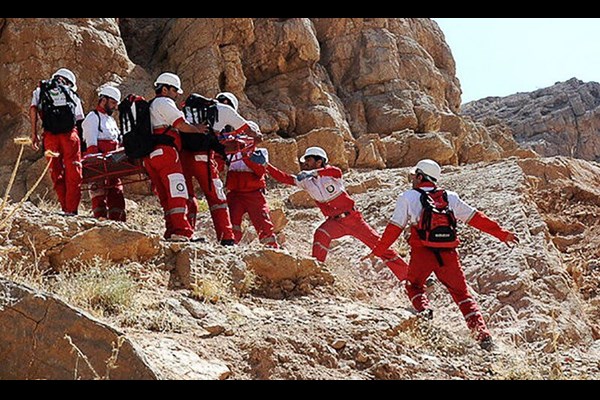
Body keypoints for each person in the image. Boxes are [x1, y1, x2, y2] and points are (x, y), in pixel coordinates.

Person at [365, 159, 519, 351]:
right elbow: (475, 218)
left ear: (421, 176)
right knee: (462, 295)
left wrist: (378, 250)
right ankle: (483, 336)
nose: (412, 178)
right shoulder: (450, 197)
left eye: (415, 175)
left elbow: (394, 228)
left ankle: (424, 310)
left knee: (414, 286)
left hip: (422, 253)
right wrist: (501, 234)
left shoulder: (407, 197)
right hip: (448, 254)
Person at [261, 146, 408, 281]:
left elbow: (336, 171)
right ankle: (317, 272)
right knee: (321, 233)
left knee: (380, 247)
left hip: (353, 219)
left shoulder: (330, 173)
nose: (305, 163)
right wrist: (266, 165)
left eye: (308, 160)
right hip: (334, 222)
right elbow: (284, 178)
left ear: (319, 162)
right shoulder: (306, 181)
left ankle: (409, 277)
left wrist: (314, 172)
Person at [180, 91, 261, 246]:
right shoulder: (225, 111)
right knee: (217, 198)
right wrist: (257, 137)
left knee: (187, 197)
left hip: (183, 157)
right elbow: (249, 131)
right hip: (203, 157)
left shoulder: (193, 110)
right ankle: (226, 238)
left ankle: (185, 233)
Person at [144, 72, 209, 242]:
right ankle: (182, 232)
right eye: (174, 91)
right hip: (167, 154)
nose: (175, 95)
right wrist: (198, 129)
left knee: (166, 195)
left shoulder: (150, 106)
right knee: (177, 192)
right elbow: (181, 125)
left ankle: (171, 230)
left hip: (151, 155)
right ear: (164, 89)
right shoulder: (164, 102)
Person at [29, 68, 84, 216]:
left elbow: (33, 110)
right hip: (69, 136)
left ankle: (64, 208)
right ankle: (72, 210)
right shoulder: (71, 93)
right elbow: (79, 119)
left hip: (50, 136)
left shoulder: (41, 90)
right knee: (74, 171)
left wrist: (34, 134)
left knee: (56, 172)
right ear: (70, 83)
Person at [226, 121, 278, 248]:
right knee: (232, 225)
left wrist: (246, 155)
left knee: (264, 224)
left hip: (254, 195)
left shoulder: (261, 153)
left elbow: (260, 171)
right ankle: (230, 249)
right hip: (235, 195)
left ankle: (272, 250)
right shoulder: (231, 153)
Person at [82, 85, 126, 221]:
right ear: (103, 100)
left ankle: (117, 222)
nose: (114, 107)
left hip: (114, 161)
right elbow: (91, 143)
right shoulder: (92, 117)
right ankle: (100, 222)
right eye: (112, 103)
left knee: (117, 192)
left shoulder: (111, 120)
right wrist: (97, 163)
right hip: (99, 163)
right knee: (98, 194)